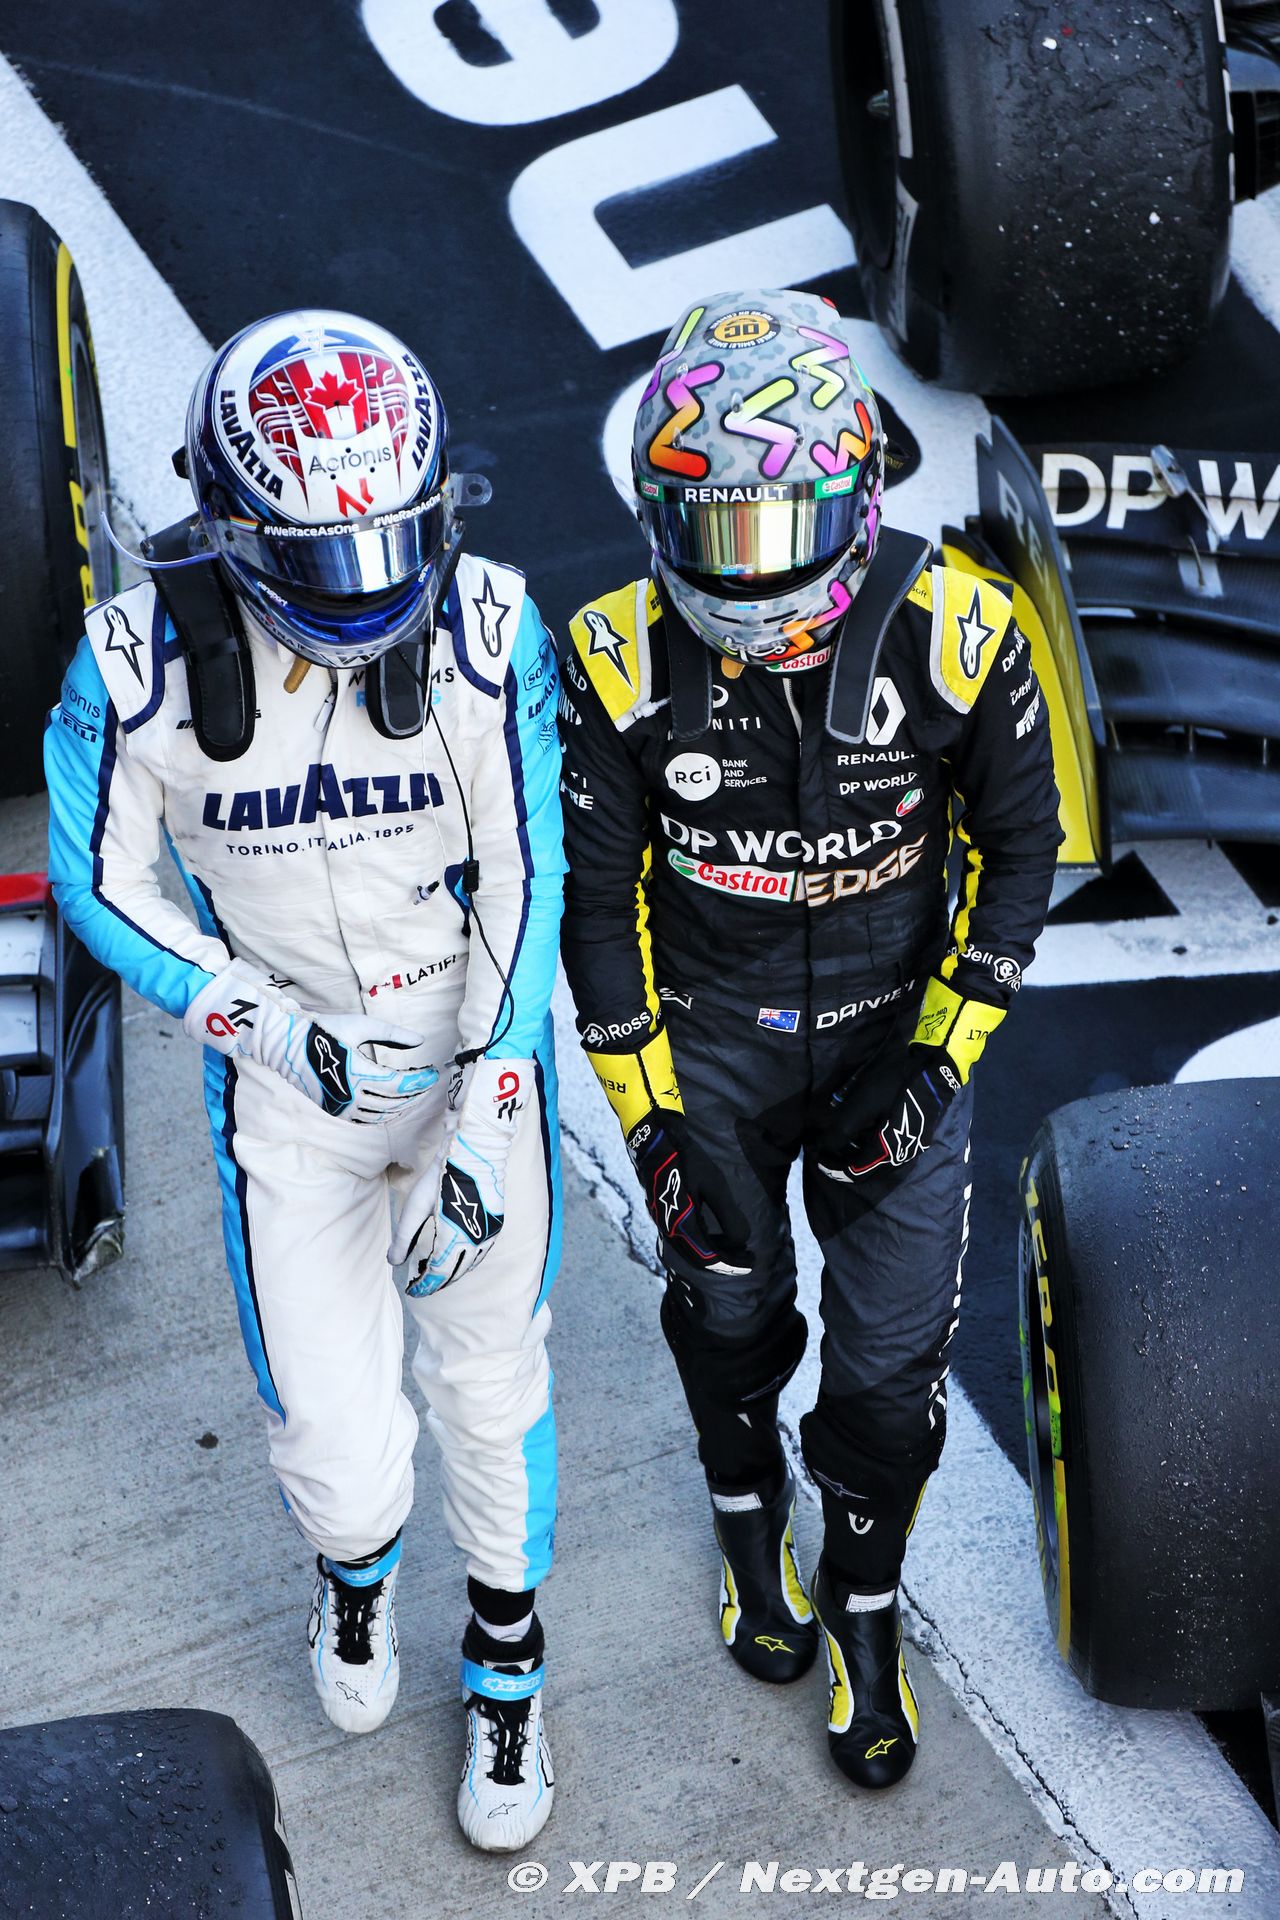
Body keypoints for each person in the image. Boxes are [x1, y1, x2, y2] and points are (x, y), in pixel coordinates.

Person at [45, 310, 563, 1851]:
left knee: (494, 1386)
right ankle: (355, 1577)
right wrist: (257, 1022)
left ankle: (510, 1667)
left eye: (390, 542)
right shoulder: (128, 667)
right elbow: (94, 879)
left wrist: (490, 1106)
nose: (365, 588)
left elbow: (532, 880)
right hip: (291, 1089)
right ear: (227, 522)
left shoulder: (491, 630)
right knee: (338, 1461)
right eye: (321, 557)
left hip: (472, 1066)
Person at [558, 288, 1061, 1789]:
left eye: (779, 527)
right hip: (708, 1051)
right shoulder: (610, 655)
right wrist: (651, 1125)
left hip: (892, 1043)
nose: (750, 570)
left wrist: (938, 1060)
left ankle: (864, 1609)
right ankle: (744, 1527)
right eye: (712, 532)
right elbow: (596, 914)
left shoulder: (965, 629)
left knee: (891, 1377)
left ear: (855, 497)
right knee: (723, 1314)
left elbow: (1022, 858)